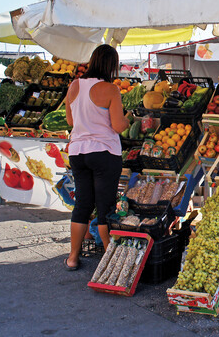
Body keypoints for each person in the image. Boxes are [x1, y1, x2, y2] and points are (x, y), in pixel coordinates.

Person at [64, 45, 129, 270]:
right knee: (105, 206)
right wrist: (128, 119)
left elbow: (71, 122)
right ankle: (108, 258)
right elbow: (118, 126)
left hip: (78, 152)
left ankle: (73, 257)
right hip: (104, 152)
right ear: (111, 65)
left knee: (82, 204)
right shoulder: (110, 89)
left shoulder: (74, 86)